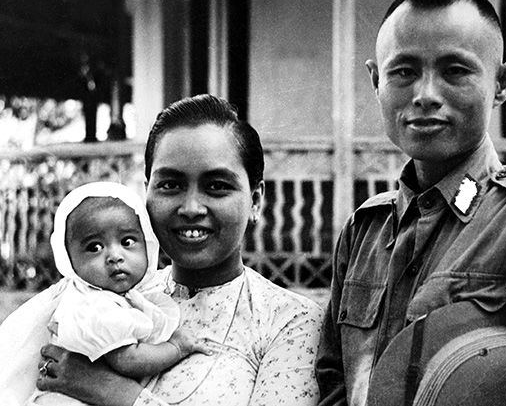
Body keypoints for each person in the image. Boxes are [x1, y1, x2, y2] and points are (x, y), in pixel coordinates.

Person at [315, 0, 506, 405]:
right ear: (376, 80)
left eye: (454, 70)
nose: (425, 95)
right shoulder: (365, 231)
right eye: (404, 71)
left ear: (502, 83)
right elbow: (332, 382)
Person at [28, 94, 324, 406]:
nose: (192, 208)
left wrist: (110, 390)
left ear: (256, 200)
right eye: (170, 185)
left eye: (217, 186)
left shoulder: (290, 321)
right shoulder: (103, 299)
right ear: (147, 194)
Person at [1, 182, 203, 405]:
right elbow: (129, 360)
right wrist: (175, 348)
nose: (114, 256)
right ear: (70, 261)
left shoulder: (126, 297)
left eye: (127, 242)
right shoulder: (95, 306)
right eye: (95, 247)